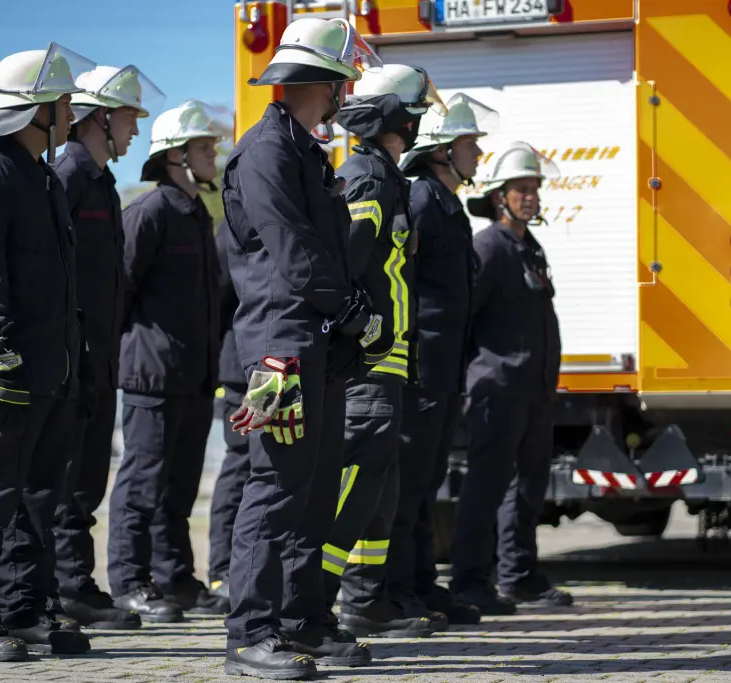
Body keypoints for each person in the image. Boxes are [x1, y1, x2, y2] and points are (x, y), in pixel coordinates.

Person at [221, 16, 393, 680]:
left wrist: (353, 318)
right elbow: (293, 249)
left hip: (314, 343)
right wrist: (350, 311)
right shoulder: (266, 151)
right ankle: (250, 634)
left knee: (314, 489)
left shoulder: (304, 150)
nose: (346, 92)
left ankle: (301, 621)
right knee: (275, 487)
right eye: (343, 79)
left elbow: (330, 250)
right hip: (280, 349)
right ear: (322, 81)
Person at [0, 42, 95, 660]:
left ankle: (23, 608)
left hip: (50, 374)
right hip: (7, 375)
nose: (71, 112)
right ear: (36, 108)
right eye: (64, 101)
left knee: (36, 498)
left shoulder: (44, 179)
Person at [324, 64, 448, 639]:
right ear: (396, 118)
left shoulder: (387, 177)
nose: (420, 121)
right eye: (415, 112)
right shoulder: (368, 179)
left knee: (380, 489)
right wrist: (366, 331)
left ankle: (366, 599)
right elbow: (342, 269)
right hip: (367, 366)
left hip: (389, 364)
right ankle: (315, 603)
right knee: (354, 488)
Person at [50, 63, 164, 631]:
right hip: (75, 359)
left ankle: (75, 585)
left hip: (100, 357)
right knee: (69, 476)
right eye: (128, 118)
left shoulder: (100, 181)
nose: (135, 130)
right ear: (99, 117)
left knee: (89, 477)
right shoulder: (68, 174)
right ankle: (63, 587)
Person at [105, 99, 227, 622]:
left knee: (179, 487)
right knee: (142, 482)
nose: (213, 155)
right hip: (151, 375)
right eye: (204, 147)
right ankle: (129, 581)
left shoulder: (196, 214)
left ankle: (176, 580)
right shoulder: (149, 212)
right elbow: (119, 292)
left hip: (193, 376)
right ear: (176, 155)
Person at [381, 93, 499, 624]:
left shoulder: (449, 206)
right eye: (469, 143)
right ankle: (397, 589)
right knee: (408, 483)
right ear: (441, 150)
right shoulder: (423, 201)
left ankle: (423, 583)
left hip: (445, 368)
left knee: (428, 482)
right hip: (421, 366)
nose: (478, 153)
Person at [453, 141, 572, 611]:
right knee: (486, 488)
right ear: (499, 196)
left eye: (534, 188)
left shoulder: (528, 247)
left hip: (532, 392)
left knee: (526, 489)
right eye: (521, 189)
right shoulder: (489, 247)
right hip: (497, 391)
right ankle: (469, 582)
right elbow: (464, 318)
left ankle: (519, 577)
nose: (531, 197)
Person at [207, 217, 249, 600]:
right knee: (240, 466)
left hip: (268, 363)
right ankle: (222, 571)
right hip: (239, 365)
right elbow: (218, 298)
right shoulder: (234, 223)